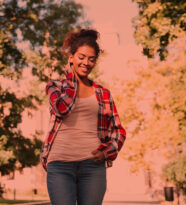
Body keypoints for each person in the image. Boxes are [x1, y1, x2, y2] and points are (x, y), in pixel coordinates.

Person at [40, 29, 126, 205]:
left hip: (92, 166)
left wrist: (106, 152)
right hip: (60, 165)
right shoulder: (54, 87)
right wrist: (72, 79)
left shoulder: (103, 94)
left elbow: (119, 131)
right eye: (81, 57)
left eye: (91, 59)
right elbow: (63, 108)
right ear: (71, 57)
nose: (86, 62)